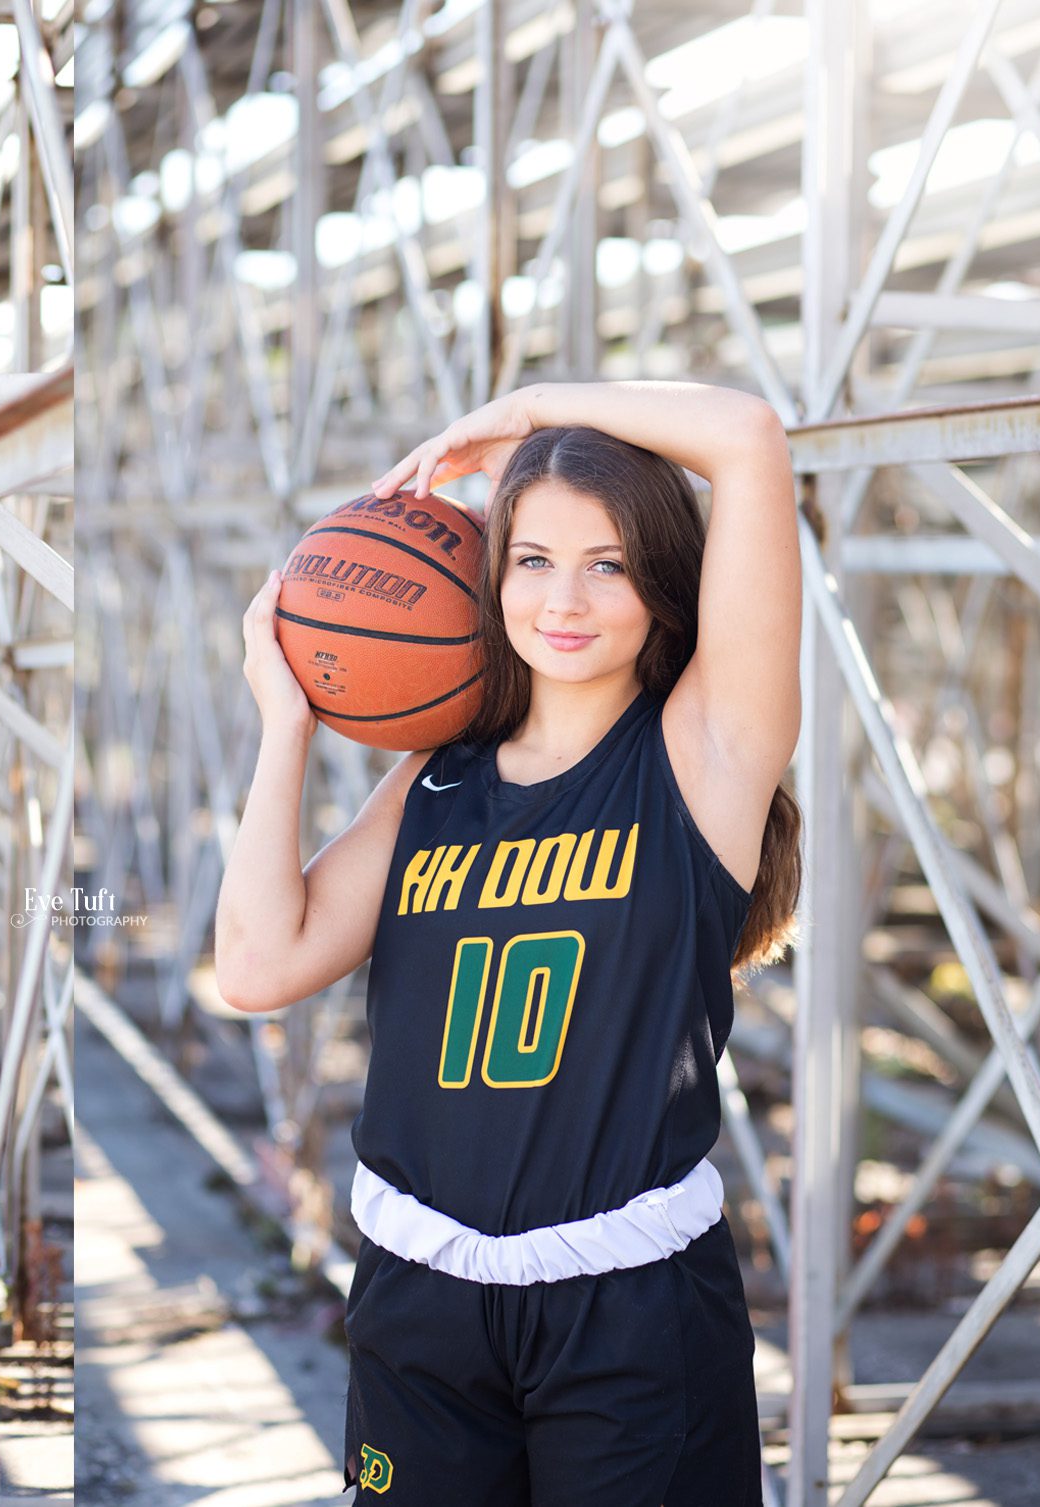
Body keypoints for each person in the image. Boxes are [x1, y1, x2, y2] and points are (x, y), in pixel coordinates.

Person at [216, 381, 803, 1505]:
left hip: (626, 1308)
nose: (564, 598)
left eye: (608, 563)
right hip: (421, 1300)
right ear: (491, 580)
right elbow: (253, 965)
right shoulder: (432, 783)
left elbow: (746, 435)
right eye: (531, 559)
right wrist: (282, 724)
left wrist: (522, 411)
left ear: (659, 585)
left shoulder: (701, 754)